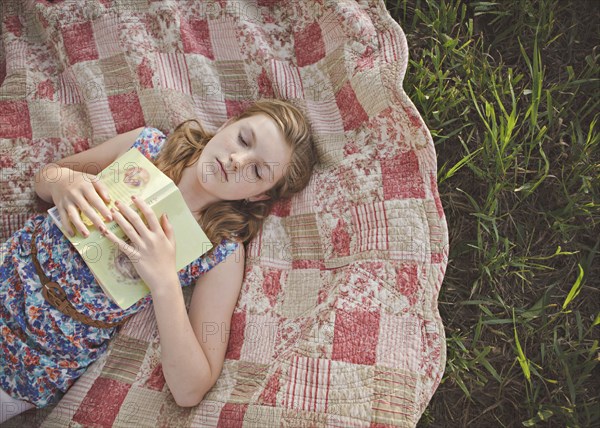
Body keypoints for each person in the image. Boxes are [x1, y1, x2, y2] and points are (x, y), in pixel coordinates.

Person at [0, 99, 317, 423]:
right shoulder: (147, 146)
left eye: (257, 170)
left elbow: (190, 389)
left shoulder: (221, 252)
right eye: (243, 139)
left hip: (35, 360)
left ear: (260, 195)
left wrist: (164, 282)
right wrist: (62, 181)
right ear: (226, 125)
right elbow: (45, 177)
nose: (237, 160)